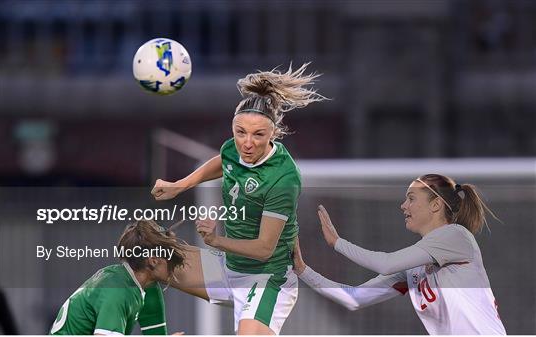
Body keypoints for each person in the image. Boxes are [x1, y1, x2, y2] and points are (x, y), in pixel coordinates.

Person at [151, 63, 326, 335]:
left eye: (258, 135)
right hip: (228, 267)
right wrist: (179, 185)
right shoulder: (234, 149)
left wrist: (214, 240)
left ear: (273, 134)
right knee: (146, 259)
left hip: (267, 278)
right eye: (240, 132)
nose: (246, 142)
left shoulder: (283, 178)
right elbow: (224, 160)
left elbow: (264, 249)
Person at [293, 174, 506, 335]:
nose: (403, 206)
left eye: (411, 198)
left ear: (435, 204)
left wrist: (338, 243)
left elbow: (387, 263)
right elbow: (354, 298)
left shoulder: (456, 236)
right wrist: (303, 270)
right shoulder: (413, 267)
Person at [50, 220, 186, 335]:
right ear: (153, 260)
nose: (175, 262)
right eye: (170, 254)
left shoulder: (147, 287)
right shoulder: (118, 291)